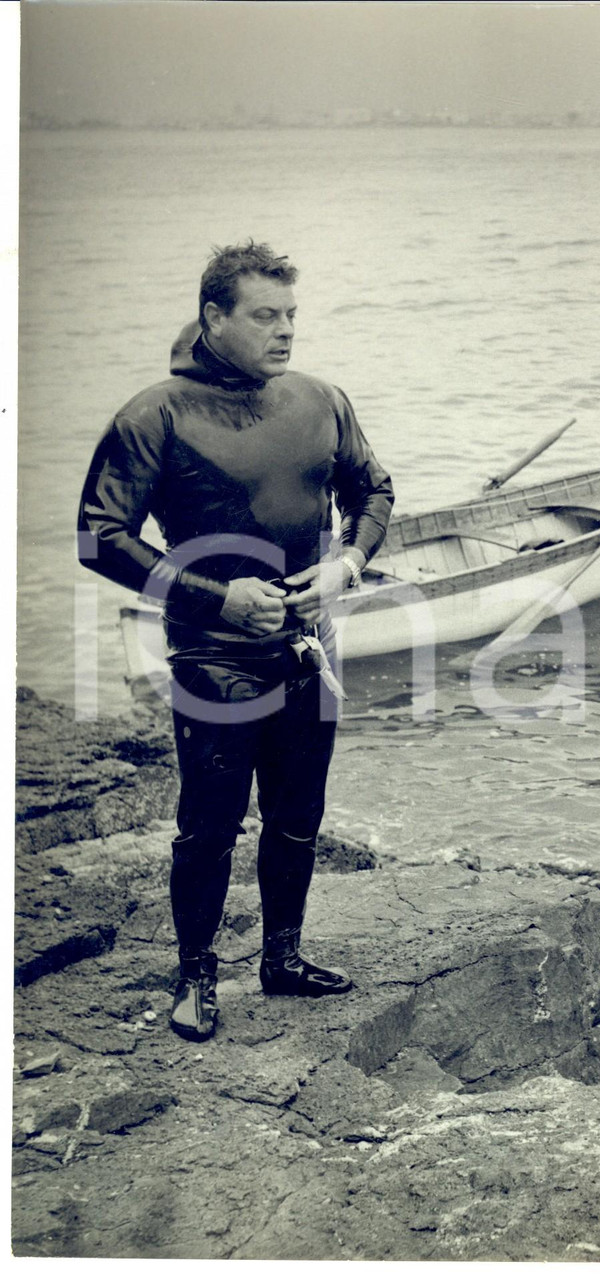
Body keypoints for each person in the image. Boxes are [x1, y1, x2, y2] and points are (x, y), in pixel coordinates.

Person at [78, 241, 394, 1042]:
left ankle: (281, 959)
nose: (285, 331)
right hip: (211, 656)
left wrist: (347, 563)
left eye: (291, 314)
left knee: (299, 817)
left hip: (306, 645)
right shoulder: (155, 415)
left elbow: (372, 488)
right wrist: (216, 598)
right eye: (265, 316)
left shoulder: (320, 399)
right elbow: (100, 536)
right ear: (214, 318)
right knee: (210, 826)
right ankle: (195, 974)